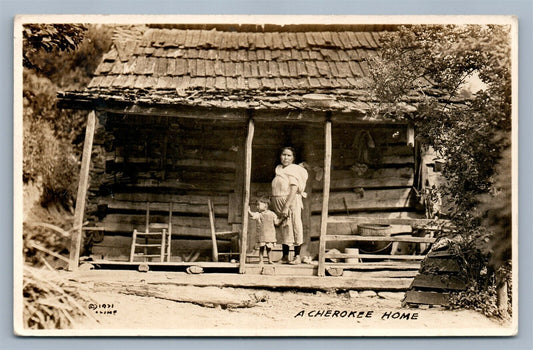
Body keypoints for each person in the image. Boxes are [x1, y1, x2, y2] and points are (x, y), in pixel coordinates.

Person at [271, 147, 308, 265]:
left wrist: (286, 206)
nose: (285, 158)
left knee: (295, 226)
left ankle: (297, 256)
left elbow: (294, 188)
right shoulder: (279, 169)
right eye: (283, 155)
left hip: (291, 202)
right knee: (285, 229)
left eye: (289, 155)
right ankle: (285, 256)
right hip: (280, 203)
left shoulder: (293, 170)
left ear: (293, 158)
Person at [248, 196, 280, 265]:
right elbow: (252, 214)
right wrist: (249, 211)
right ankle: (261, 260)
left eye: (258, 205)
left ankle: (270, 260)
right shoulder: (259, 214)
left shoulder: (272, 214)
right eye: (257, 205)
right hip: (262, 235)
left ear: (265, 205)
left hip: (270, 235)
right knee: (261, 248)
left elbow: (277, 222)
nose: (257, 207)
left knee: (269, 249)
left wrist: (283, 218)